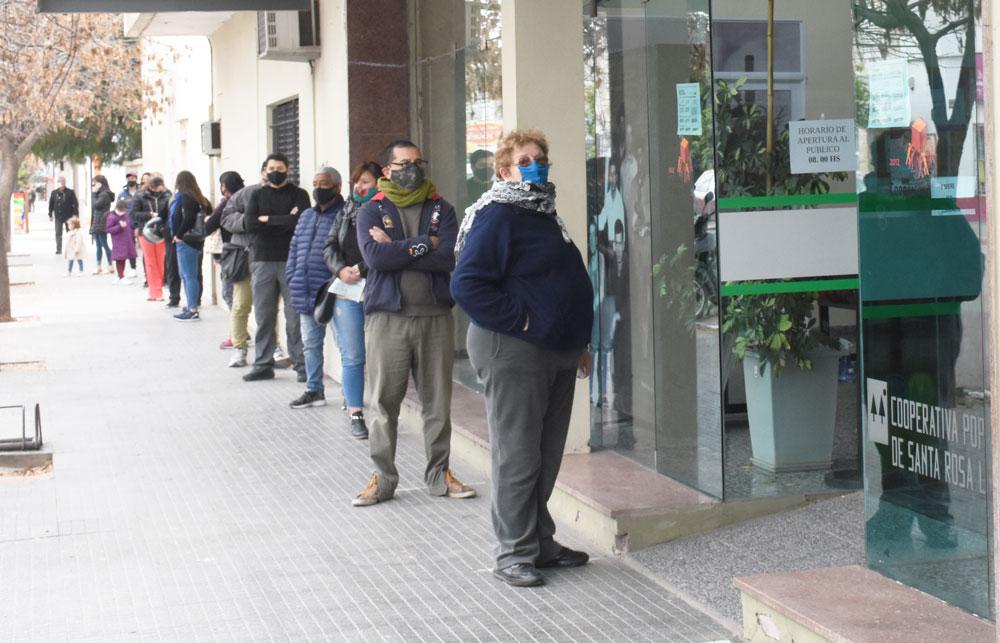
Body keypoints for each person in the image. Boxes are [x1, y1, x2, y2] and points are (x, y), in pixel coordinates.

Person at [452, 128, 594, 587]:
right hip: (513, 350)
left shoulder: (543, 213)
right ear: (505, 170)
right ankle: (513, 553)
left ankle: (541, 545)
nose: (536, 165)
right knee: (518, 456)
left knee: (546, 455)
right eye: (526, 159)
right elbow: (468, 284)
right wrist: (525, 321)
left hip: (556, 351)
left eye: (541, 158)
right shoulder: (498, 215)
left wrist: (578, 341)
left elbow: (558, 281)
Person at [351, 139, 475, 507]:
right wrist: (425, 244)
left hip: (435, 317)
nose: (412, 169)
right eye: (404, 163)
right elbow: (376, 258)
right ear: (387, 170)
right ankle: (383, 478)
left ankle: (439, 474)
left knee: (437, 403)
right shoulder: (371, 210)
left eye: (418, 162)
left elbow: (449, 256)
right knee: (382, 404)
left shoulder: (443, 209)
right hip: (388, 319)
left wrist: (401, 246)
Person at [285, 168, 356, 412]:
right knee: (310, 343)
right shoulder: (306, 216)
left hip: (333, 291)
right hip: (305, 290)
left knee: (345, 346)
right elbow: (294, 248)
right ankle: (314, 389)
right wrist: (292, 276)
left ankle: (351, 396)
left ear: (337, 187)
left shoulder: (347, 214)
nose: (318, 188)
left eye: (324, 183)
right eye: (315, 183)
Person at [323, 161, 380, 438]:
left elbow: (388, 247)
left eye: (366, 182)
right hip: (347, 290)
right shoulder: (345, 211)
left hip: (379, 289)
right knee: (353, 354)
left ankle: (382, 411)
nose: (359, 187)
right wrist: (340, 269)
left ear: (380, 183)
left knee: (380, 354)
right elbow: (330, 245)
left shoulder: (387, 211)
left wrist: (362, 269)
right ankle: (356, 411)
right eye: (356, 181)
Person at [242, 153, 310, 381]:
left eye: (280, 167)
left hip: (293, 261)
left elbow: (300, 221)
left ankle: (301, 364)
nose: (275, 171)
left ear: (288, 169)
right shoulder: (257, 195)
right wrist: (283, 219)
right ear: (264, 171)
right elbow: (250, 224)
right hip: (262, 261)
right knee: (264, 315)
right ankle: (262, 364)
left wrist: (267, 219)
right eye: (271, 167)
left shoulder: (299, 194)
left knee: (295, 317)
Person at [222, 162, 268, 368]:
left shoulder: (288, 196)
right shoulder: (245, 194)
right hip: (244, 258)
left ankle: (271, 347)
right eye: (269, 170)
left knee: (267, 308)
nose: (272, 175)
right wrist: (249, 220)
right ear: (262, 172)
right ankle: (239, 348)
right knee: (240, 305)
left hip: (270, 258)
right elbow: (226, 217)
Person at [207, 171, 245, 347]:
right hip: (246, 253)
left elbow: (209, 225)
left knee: (230, 295)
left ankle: (237, 335)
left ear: (225, 186)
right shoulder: (247, 198)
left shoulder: (228, 203)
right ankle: (240, 332)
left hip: (232, 255)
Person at [171, 171, 211, 322]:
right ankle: (190, 305)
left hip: (186, 241)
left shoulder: (186, 197)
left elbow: (188, 218)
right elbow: (209, 215)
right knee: (188, 275)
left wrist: (178, 235)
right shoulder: (201, 198)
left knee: (188, 276)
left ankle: (192, 309)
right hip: (197, 240)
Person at [106, 199, 138, 284]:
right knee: (119, 259)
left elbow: (129, 225)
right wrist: (119, 227)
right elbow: (108, 229)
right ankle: (121, 276)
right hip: (118, 241)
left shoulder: (126, 215)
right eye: (122, 210)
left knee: (123, 258)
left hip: (127, 239)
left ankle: (120, 276)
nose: (123, 211)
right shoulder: (112, 216)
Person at [89, 175, 116, 275]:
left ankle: (110, 265)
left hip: (102, 222)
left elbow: (96, 205)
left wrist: (93, 194)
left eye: (95, 183)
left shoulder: (104, 194)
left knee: (104, 244)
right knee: (98, 245)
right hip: (97, 222)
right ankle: (98, 266)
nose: (93, 185)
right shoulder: (99, 194)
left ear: (100, 183)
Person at [48, 176, 79, 254]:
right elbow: (51, 204)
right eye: (59, 181)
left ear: (65, 182)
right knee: (58, 233)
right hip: (58, 216)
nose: (61, 183)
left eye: (62, 181)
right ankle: (59, 249)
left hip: (69, 216)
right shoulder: (54, 193)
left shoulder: (70, 192)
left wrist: (75, 215)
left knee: (70, 233)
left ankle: (71, 248)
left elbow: (75, 204)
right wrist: (50, 214)